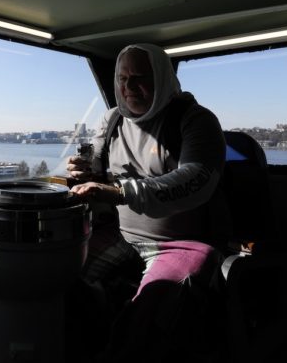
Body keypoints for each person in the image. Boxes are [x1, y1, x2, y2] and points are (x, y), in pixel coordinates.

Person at [67, 43, 229, 362]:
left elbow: (194, 180)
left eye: (140, 78)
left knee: (152, 308)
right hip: (121, 235)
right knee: (62, 275)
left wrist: (121, 193)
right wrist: (81, 171)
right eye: (123, 78)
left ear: (163, 79)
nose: (129, 87)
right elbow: (96, 166)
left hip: (180, 242)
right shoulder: (112, 120)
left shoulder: (195, 121)